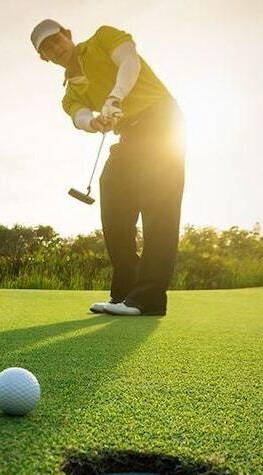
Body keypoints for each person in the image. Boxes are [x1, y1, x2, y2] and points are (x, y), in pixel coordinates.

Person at [31, 19, 185, 316]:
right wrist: (96, 121)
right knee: (113, 197)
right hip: (128, 134)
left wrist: (115, 97)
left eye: (56, 39)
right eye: (46, 48)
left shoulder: (103, 37)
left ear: (68, 35)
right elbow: (80, 117)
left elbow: (129, 60)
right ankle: (126, 292)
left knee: (158, 206)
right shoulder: (70, 94)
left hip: (162, 120)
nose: (54, 47)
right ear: (43, 58)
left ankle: (150, 298)